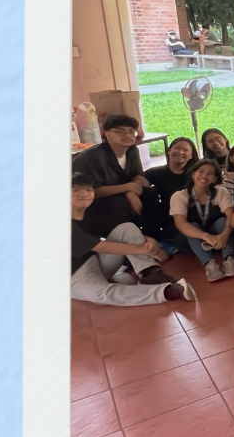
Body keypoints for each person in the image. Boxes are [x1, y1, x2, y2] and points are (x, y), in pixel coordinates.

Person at [70, 173, 194, 306]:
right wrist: (145, 250)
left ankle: (149, 273)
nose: (84, 194)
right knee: (101, 293)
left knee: (126, 227)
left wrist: (148, 240)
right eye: (75, 190)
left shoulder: (90, 212)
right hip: (74, 274)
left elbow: (113, 233)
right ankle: (166, 292)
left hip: (96, 261)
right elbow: (100, 246)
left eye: (88, 190)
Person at [71, 114, 150, 236]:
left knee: (150, 195)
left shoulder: (132, 150)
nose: (128, 135)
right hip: (91, 202)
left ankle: (152, 235)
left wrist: (130, 190)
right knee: (119, 205)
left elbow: (138, 176)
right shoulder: (93, 157)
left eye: (131, 131)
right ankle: (124, 239)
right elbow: (91, 192)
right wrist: (128, 188)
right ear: (107, 134)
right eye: (120, 131)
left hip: (120, 192)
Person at [169, 159, 234, 282]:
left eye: (210, 173)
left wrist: (225, 234)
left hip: (220, 239)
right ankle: (209, 264)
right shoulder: (180, 196)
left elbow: (231, 216)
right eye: (201, 172)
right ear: (193, 175)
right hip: (194, 241)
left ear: (215, 178)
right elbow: (180, 223)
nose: (204, 176)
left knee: (223, 221)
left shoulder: (221, 192)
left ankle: (229, 259)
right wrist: (206, 236)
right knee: (191, 226)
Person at [141, 136, 197, 255]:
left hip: (189, 216)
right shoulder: (156, 172)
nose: (181, 152)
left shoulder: (195, 174)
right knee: (148, 194)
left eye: (186, 150)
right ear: (168, 151)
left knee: (185, 244)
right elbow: (137, 183)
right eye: (177, 148)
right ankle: (150, 239)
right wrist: (131, 193)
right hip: (166, 216)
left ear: (191, 155)